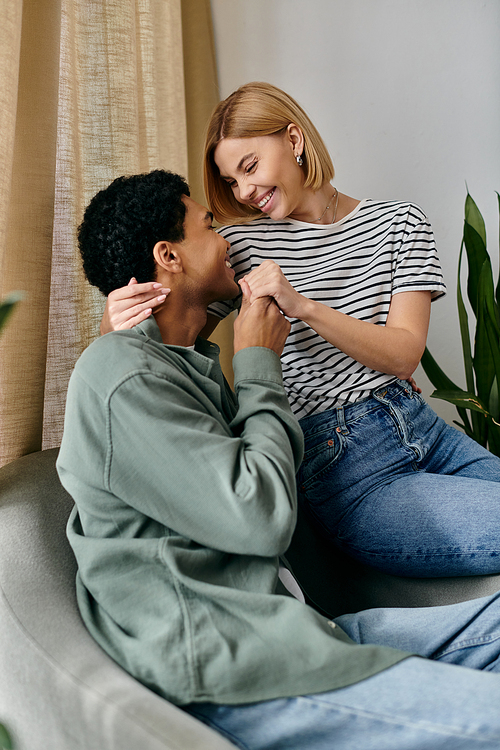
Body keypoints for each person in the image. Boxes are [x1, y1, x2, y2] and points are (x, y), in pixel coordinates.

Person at [57, 168, 500, 749]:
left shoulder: (180, 367)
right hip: (243, 670)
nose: (228, 238)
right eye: (209, 224)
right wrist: (260, 364)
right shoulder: (120, 375)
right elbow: (260, 519)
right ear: (169, 255)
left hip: (300, 636)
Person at [101, 82, 500, 579]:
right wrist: (114, 324)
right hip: (346, 467)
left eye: (249, 168)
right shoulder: (238, 247)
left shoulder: (399, 222)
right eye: (231, 182)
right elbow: (172, 327)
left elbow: (402, 355)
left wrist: (303, 305)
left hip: (423, 426)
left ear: (293, 139)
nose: (243, 192)